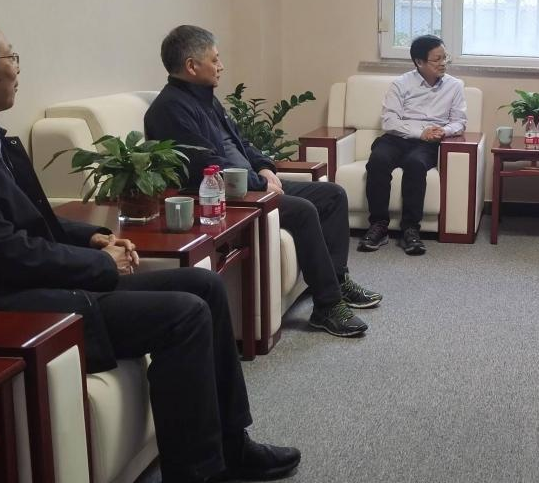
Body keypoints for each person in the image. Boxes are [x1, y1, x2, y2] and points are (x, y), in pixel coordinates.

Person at [0, 10, 298, 483]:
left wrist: (92, 238)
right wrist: (99, 265)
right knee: (183, 314)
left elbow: (32, 222)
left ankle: (230, 446)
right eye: (9, 56)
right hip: (2, 305)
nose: (17, 67)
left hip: (25, 282)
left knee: (205, 286)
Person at [144, 25, 379, 338]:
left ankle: (337, 280)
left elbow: (240, 143)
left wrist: (265, 168)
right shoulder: (169, 110)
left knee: (333, 195)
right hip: (224, 196)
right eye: (214, 59)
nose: (221, 66)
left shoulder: (205, 99)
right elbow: (205, 166)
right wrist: (258, 183)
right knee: (304, 210)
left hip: (252, 185)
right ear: (191, 66)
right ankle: (327, 306)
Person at [357, 35, 467, 257]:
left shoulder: (454, 86)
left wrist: (443, 131)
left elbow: (460, 122)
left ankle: (410, 229)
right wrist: (420, 132)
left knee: (415, 164)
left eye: (445, 57)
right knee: (378, 161)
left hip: (428, 144)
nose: (443, 63)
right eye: (437, 59)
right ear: (419, 62)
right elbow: (389, 121)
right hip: (397, 138)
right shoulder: (401, 84)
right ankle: (379, 225)